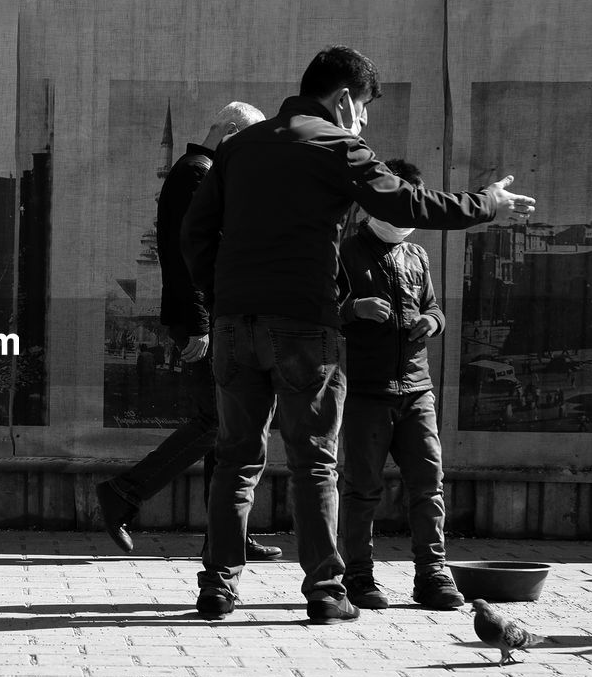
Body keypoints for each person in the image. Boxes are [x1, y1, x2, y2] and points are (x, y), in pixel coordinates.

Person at [182, 46, 535, 623]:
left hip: (234, 327)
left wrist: (223, 300)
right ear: (345, 98)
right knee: (314, 462)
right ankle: (325, 591)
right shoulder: (335, 144)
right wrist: (486, 203)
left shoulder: (240, 147)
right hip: (303, 328)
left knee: (236, 459)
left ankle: (218, 588)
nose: (367, 120)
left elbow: (195, 232)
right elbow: (405, 200)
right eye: (366, 105)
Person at [95, 101, 282, 562]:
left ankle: (224, 536)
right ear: (232, 133)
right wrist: (200, 324)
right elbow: (188, 255)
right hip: (204, 318)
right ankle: (124, 492)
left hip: (210, 315)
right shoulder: (197, 172)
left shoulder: (198, 169)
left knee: (224, 426)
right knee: (218, 422)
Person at [337, 159, 463, 611]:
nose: (405, 221)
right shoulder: (345, 251)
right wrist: (354, 309)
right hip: (366, 392)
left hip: (416, 390)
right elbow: (320, 312)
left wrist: (431, 321)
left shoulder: (418, 255)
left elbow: (435, 309)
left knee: (428, 485)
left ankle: (432, 575)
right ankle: (357, 577)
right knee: (361, 488)